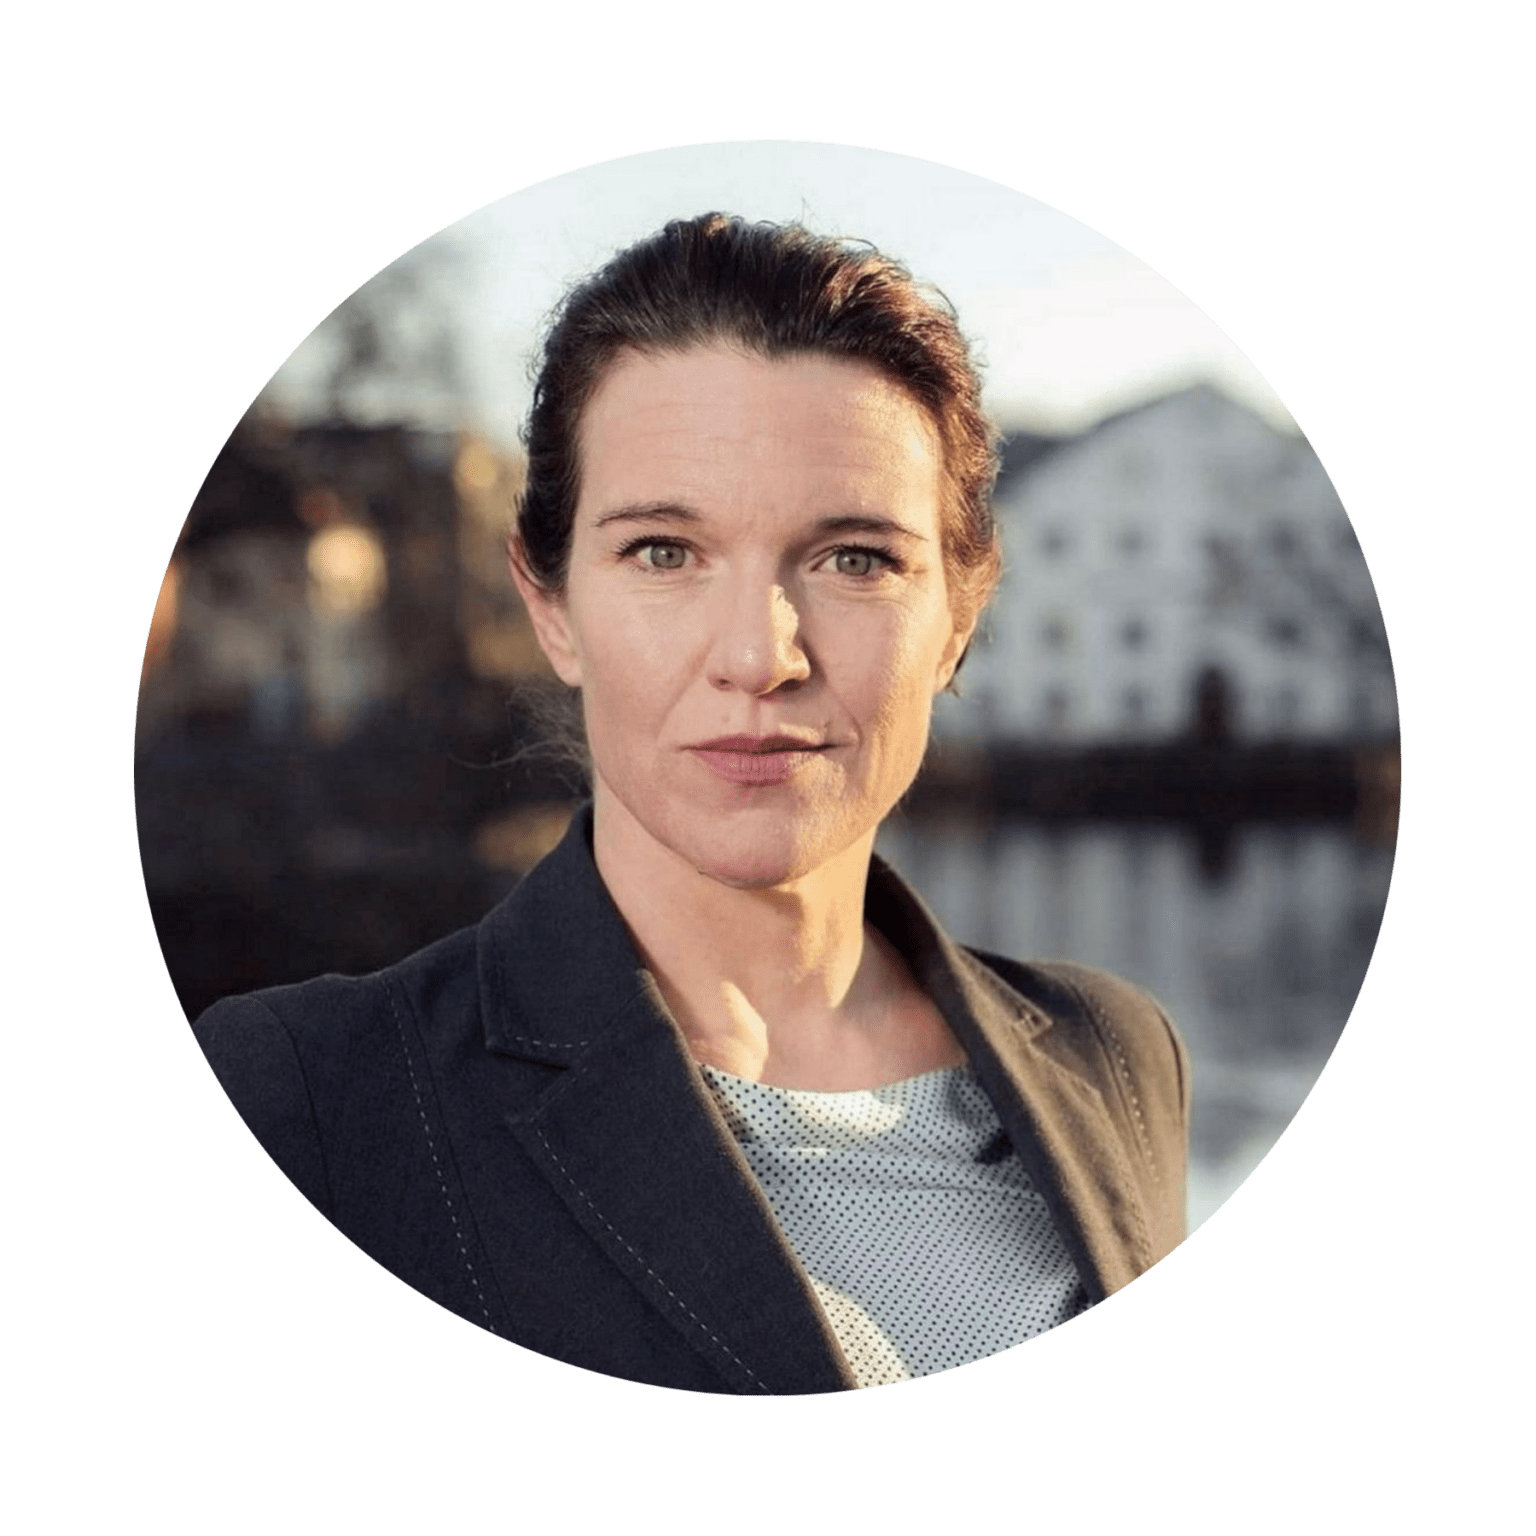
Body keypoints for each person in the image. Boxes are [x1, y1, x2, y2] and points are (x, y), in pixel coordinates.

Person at [195, 214, 1189, 1394]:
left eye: (855, 559)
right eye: (664, 552)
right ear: (551, 605)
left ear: (959, 618)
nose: (760, 656)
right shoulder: (307, 1098)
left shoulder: (1114, 1058)